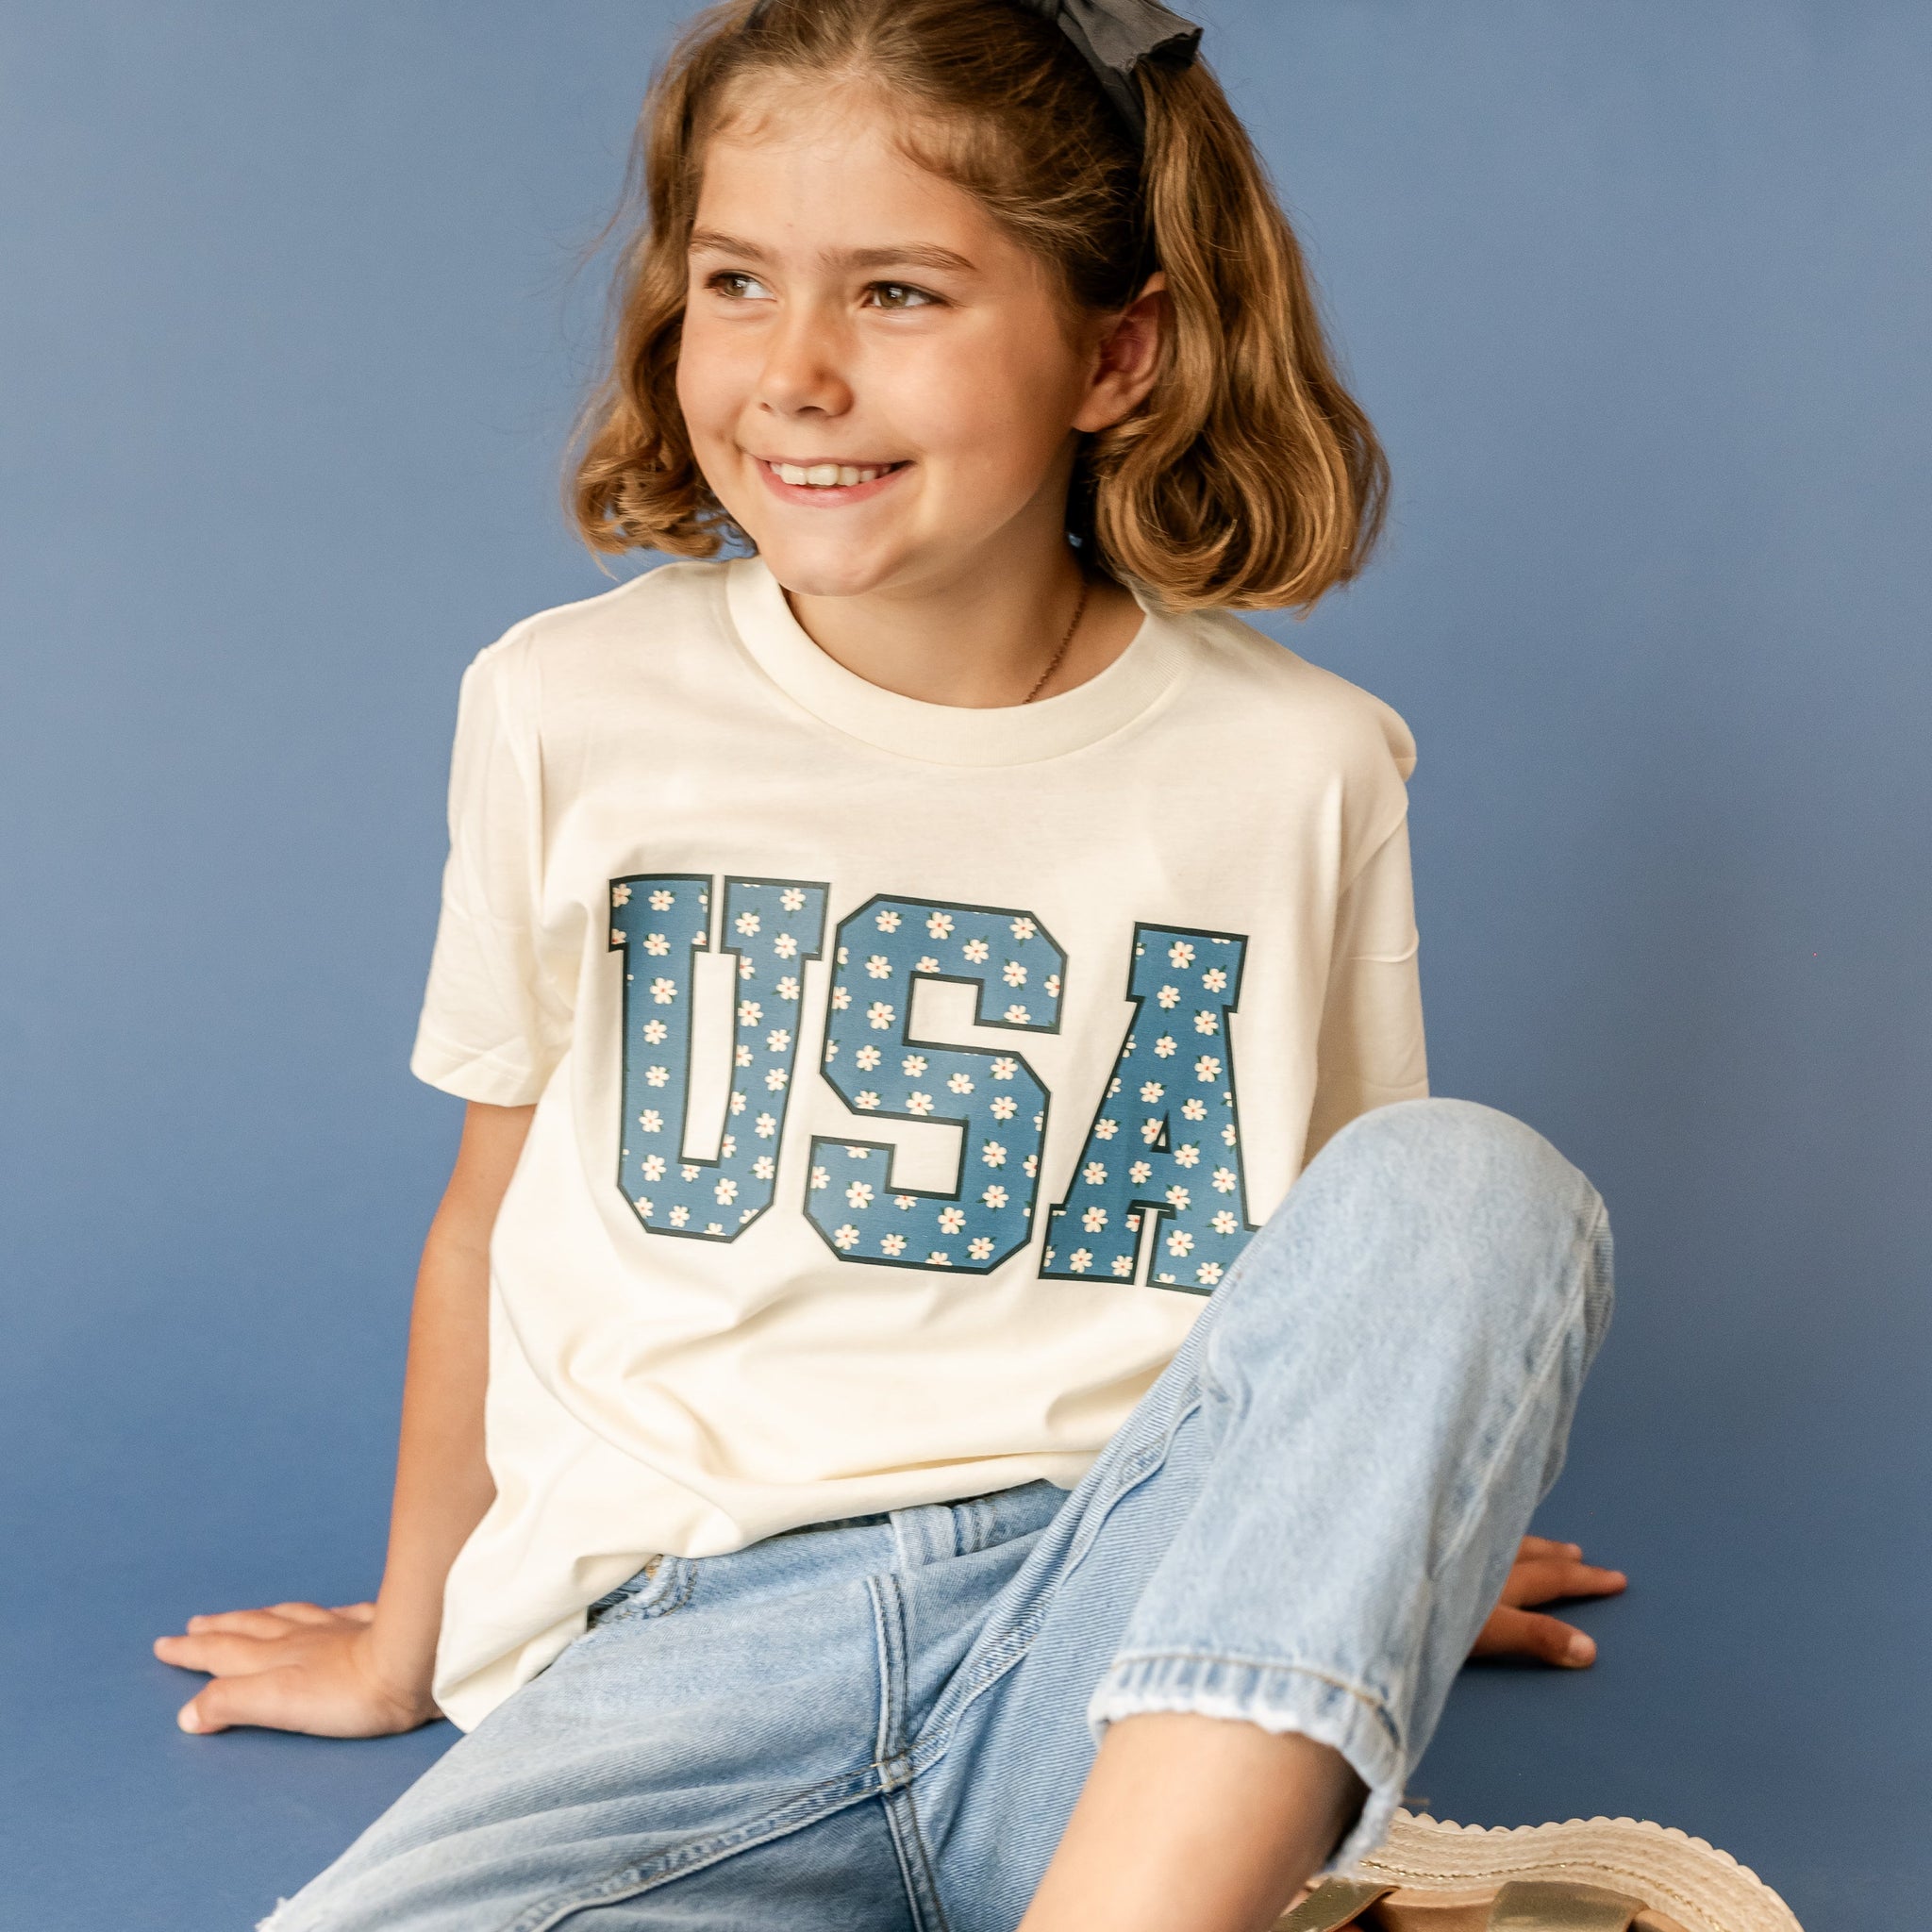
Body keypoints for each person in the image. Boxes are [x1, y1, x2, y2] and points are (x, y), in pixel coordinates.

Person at [153, 3, 1627, 1926]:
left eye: (900, 293)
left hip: (1111, 1643)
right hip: (680, 1665)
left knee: (1470, 1182)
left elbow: (1358, 1284)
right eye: (737, 283)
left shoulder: (1303, 767)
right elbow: (484, 1216)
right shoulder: (567, 707)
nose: (795, 373)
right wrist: (401, 1642)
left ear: (1115, 351)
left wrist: (1376, 1551)